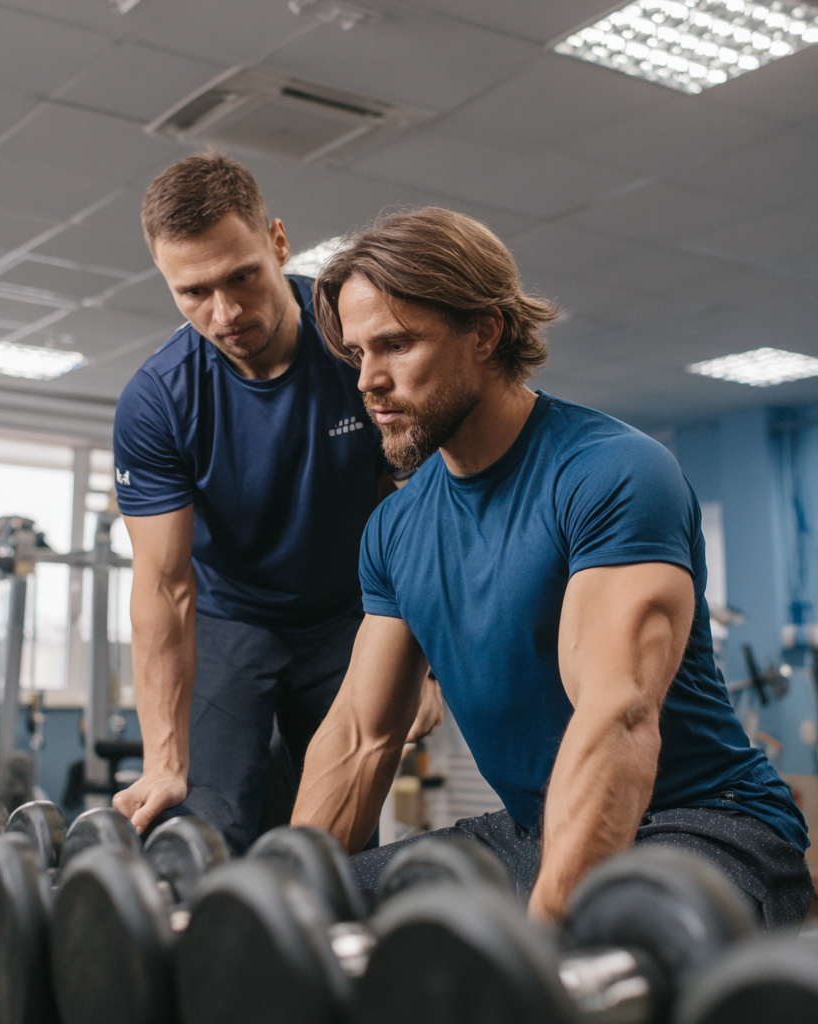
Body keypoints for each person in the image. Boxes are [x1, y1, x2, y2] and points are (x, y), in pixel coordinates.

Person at [290, 207, 812, 928]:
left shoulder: (612, 472)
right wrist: (275, 906)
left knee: (588, 949)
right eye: (358, 355)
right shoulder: (396, 525)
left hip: (703, 823)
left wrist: (543, 949)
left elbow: (617, 713)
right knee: (330, 906)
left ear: (485, 330)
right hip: (533, 826)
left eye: (397, 345)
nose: (369, 381)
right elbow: (359, 735)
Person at [110, 152, 441, 853]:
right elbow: (163, 587)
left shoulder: (354, 347)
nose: (225, 313)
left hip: (347, 617)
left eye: (242, 277)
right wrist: (163, 758)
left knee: (336, 841)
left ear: (279, 243)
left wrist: (424, 665)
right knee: (207, 830)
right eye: (193, 292)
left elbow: (417, 509)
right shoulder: (158, 400)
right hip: (229, 620)